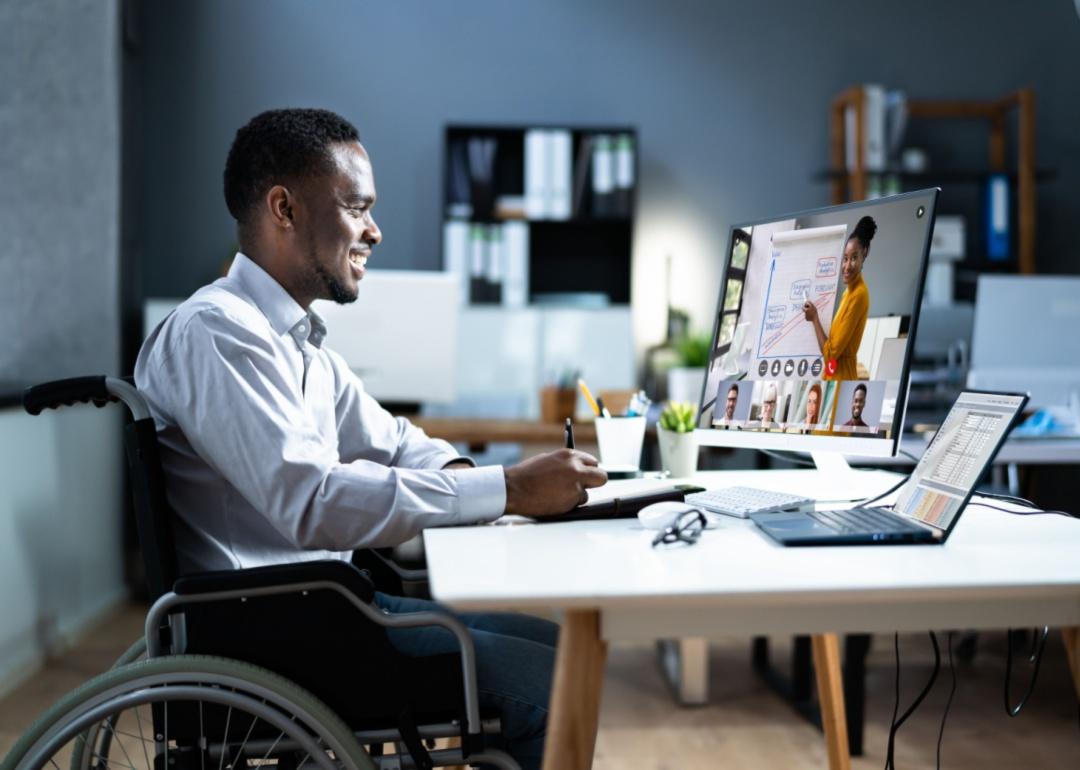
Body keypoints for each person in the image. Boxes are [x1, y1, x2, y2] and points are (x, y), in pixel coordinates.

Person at [135, 108, 607, 770]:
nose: (375, 231)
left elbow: (392, 441)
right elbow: (313, 502)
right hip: (272, 636)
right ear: (285, 208)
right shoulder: (218, 332)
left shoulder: (297, 341)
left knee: (563, 650)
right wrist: (506, 488)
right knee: (558, 686)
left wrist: (489, 484)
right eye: (357, 207)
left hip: (321, 612)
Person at [803, 216, 876, 380]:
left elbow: (830, 354)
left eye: (854, 258)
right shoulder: (848, 292)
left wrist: (814, 318)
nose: (847, 265)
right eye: (845, 258)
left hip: (842, 379)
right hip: (832, 375)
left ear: (865, 253)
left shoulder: (859, 295)